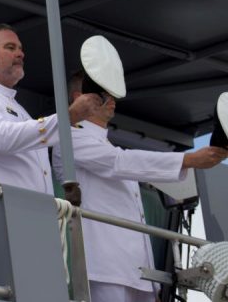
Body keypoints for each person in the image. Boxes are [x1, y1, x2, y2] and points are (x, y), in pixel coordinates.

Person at [0, 23, 101, 280]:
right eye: (10, 47)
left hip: (30, 241)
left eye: (21, 49)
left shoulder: (21, 111)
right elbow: (2, 137)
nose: (20, 54)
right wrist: (67, 117)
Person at [56, 71, 228, 302]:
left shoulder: (102, 141)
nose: (113, 99)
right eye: (104, 94)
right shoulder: (69, 136)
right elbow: (118, 162)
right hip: (104, 266)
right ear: (79, 96)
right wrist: (188, 160)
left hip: (136, 269)